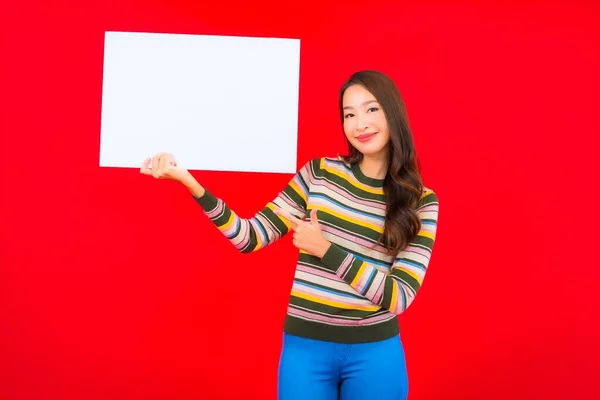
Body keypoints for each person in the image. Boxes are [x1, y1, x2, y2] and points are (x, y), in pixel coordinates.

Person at [140, 70, 439, 400]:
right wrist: (190, 183)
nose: (359, 124)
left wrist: (325, 249)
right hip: (305, 351)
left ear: (393, 112)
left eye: (371, 109)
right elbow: (249, 237)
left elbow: (398, 297)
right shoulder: (319, 174)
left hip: (375, 355)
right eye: (349, 114)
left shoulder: (421, 201)